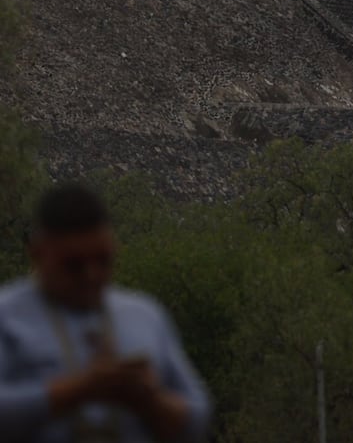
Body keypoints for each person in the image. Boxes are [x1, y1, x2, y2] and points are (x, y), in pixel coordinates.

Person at [0, 184, 212, 442]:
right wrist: (80, 390)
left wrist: (149, 398)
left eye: (103, 260)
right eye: (74, 265)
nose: (92, 275)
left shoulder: (145, 313)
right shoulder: (7, 316)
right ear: (37, 253)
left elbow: (198, 418)